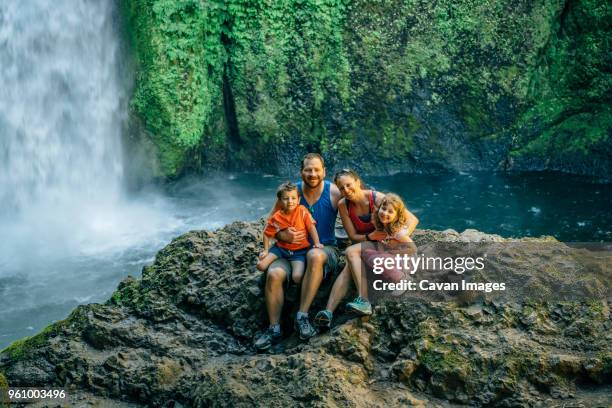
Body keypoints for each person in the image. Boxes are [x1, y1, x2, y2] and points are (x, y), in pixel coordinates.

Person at [254, 153, 341, 351]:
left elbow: (360, 199)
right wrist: (282, 236)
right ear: (301, 172)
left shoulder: (334, 192)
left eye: (317, 170)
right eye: (308, 170)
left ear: (324, 172)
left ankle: (302, 317)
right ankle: (274, 329)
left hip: (324, 248)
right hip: (289, 251)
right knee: (274, 274)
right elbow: (271, 223)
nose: (312, 174)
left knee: (314, 255)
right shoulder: (290, 193)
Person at [314, 191, 418, 328]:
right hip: (384, 250)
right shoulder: (380, 224)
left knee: (373, 259)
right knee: (362, 254)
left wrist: (394, 249)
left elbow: (413, 249)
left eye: (390, 212)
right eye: (383, 209)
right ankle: (332, 311)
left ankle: (403, 280)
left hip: (404, 260)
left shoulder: (397, 232)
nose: (385, 213)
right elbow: (368, 241)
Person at [256, 182, 323, 283]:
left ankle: (292, 286)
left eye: (293, 198)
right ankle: (270, 274)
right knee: (260, 265)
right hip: (280, 249)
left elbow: (311, 227)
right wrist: (265, 250)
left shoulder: (302, 211)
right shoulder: (277, 217)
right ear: (280, 201)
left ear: (299, 199)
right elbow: (266, 233)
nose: (290, 201)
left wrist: (317, 243)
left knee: (297, 277)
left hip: (299, 252)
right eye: (286, 198)